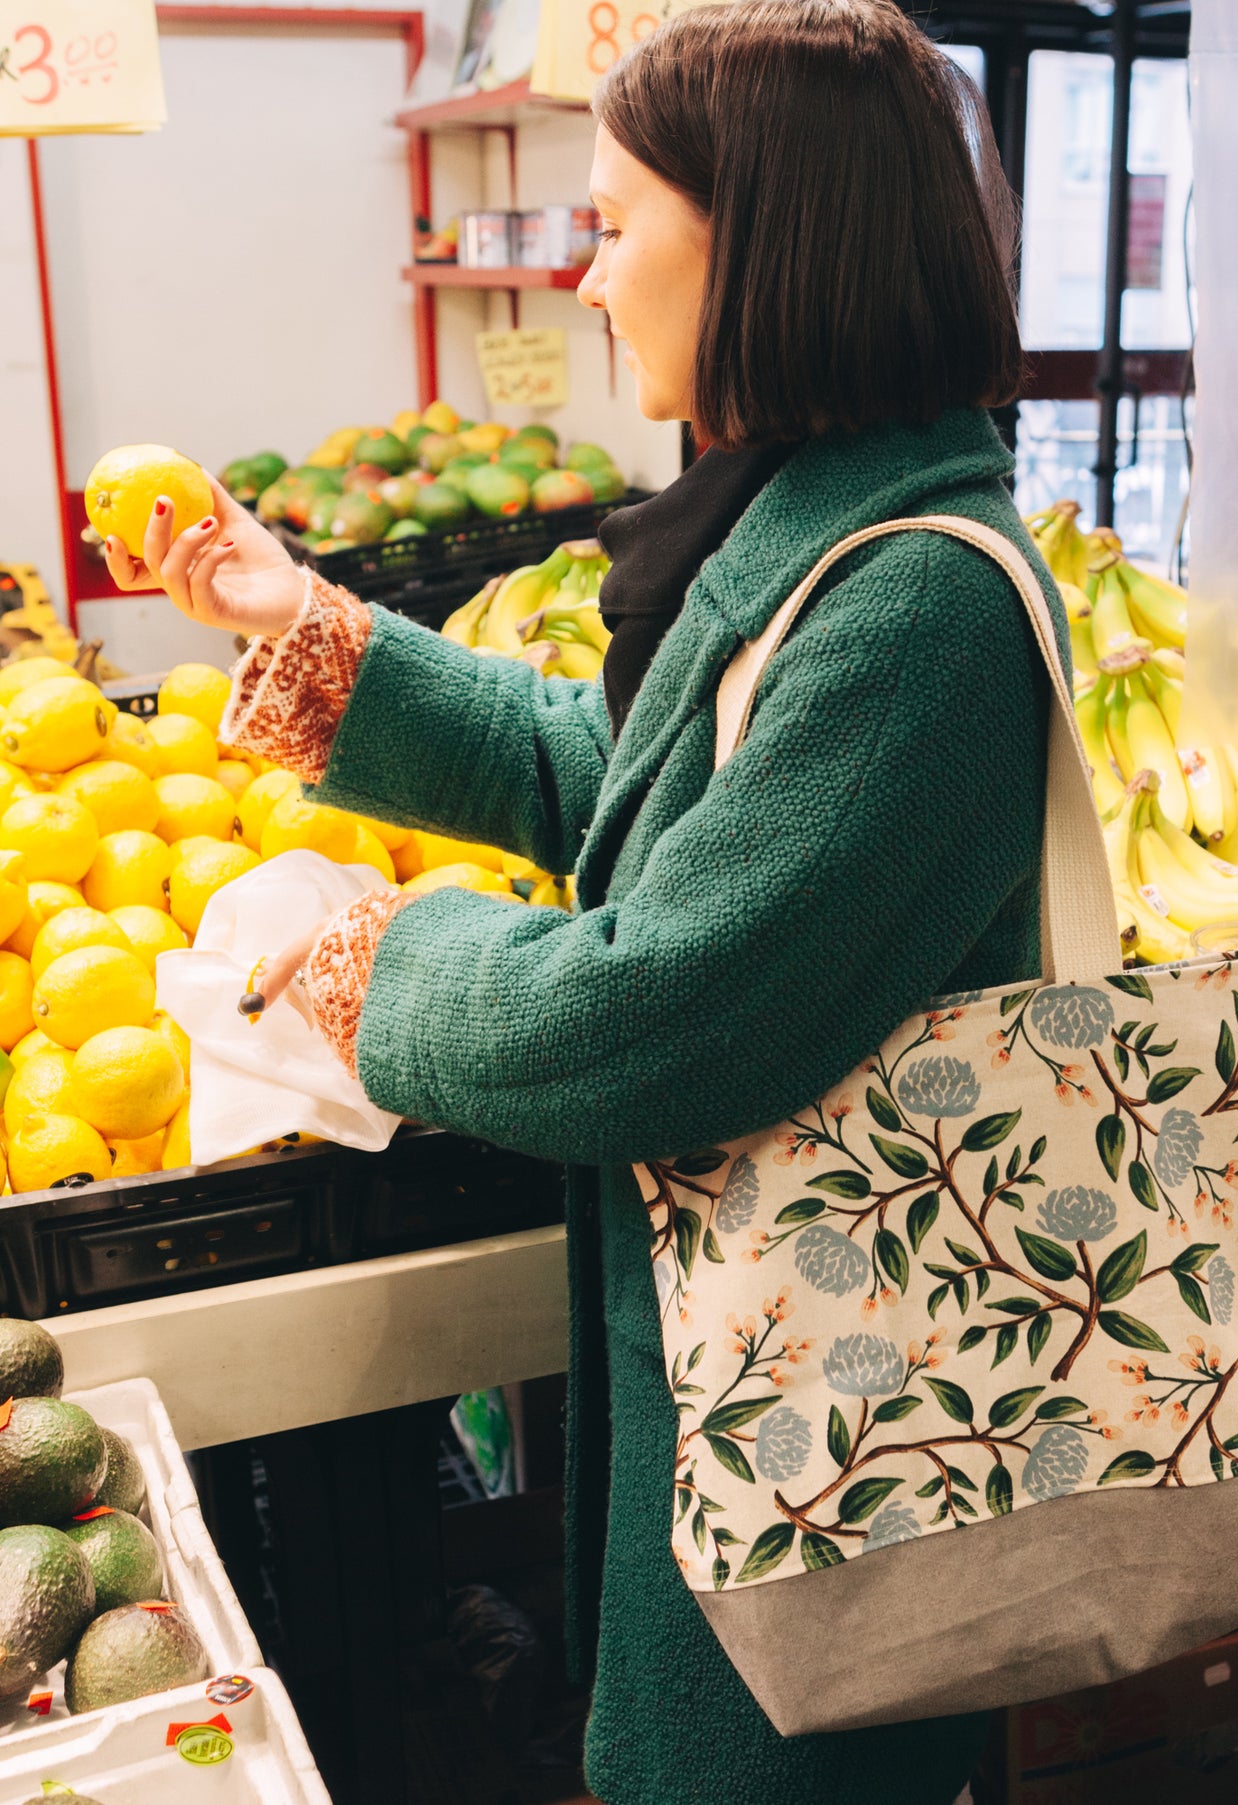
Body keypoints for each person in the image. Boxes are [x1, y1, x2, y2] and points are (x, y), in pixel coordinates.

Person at [105, 3, 1064, 1798]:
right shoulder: (800, 517)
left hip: (837, 1419)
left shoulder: (915, 603)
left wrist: (354, 955)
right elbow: (607, 774)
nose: (582, 277)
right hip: (763, 1374)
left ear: (765, 238)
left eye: (614, 223)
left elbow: (658, 1006)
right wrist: (298, 623)